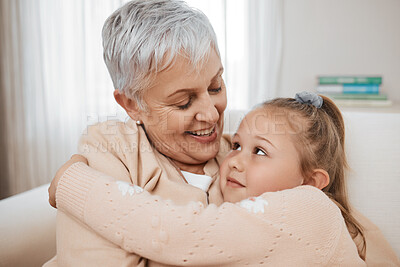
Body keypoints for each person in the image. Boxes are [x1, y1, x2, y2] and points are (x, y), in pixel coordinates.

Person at [45, 0, 399, 266]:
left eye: (216, 86)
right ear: (132, 105)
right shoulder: (112, 146)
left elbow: (183, 233)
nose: (211, 114)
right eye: (183, 102)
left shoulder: (290, 193)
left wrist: (72, 182)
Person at [49, 93, 368, 266]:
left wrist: (72, 181)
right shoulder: (241, 206)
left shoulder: (311, 208)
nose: (235, 159)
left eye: (259, 152)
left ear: (311, 182)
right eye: (238, 145)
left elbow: (172, 232)